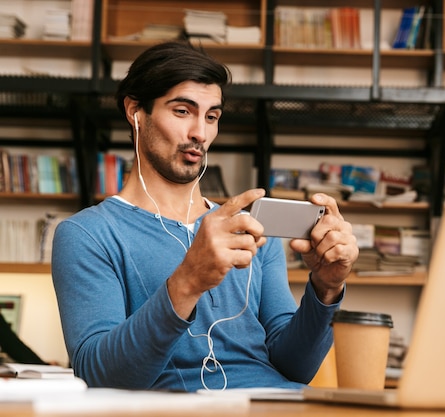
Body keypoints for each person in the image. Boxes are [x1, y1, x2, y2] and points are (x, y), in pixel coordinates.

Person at [51, 41, 359, 392]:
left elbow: (295, 368)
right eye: (183, 111)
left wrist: (327, 287)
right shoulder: (86, 234)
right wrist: (188, 281)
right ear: (136, 111)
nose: (200, 133)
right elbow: (99, 376)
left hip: (280, 406)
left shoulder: (249, 229)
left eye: (211, 116)